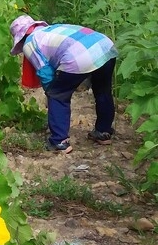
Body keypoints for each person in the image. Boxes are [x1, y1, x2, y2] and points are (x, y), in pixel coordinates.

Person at [9, 14, 118, 154]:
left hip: (79, 56)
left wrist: (50, 93)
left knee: (57, 95)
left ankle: (59, 141)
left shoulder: (30, 43)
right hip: (105, 45)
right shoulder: (52, 29)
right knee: (102, 90)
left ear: (21, 38)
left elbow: (45, 73)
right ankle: (103, 132)